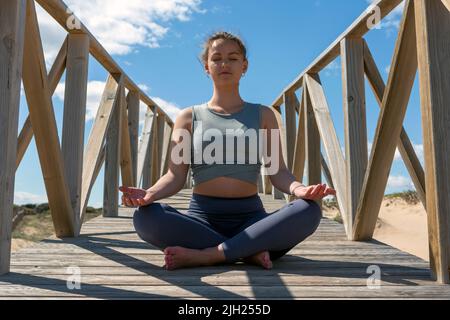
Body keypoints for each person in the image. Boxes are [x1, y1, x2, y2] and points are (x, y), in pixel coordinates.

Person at [119, 31, 336, 271]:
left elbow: (278, 172)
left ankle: (210, 255)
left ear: (244, 66)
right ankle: (247, 251)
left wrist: (301, 189)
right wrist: (148, 195)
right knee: (145, 217)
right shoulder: (188, 118)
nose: (224, 64)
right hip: (201, 220)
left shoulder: (264, 115)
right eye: (216, 58)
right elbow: (174, 176)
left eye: (233, 58)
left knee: (308, 210)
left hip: (252, 219)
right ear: (206, 67)